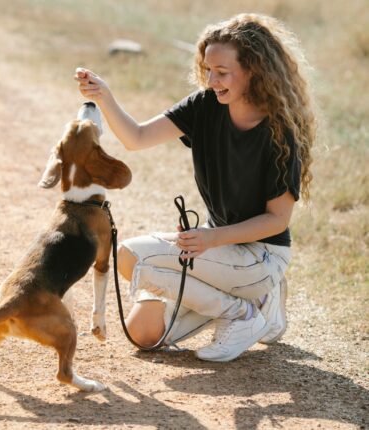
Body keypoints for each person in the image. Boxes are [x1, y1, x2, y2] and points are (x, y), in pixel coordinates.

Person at [74, 13, 316, 362]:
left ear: (253, 70)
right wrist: (105, 96)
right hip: (215, 250)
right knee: (144, 335)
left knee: (128, 255)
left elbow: (277, 220)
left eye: (222, 72)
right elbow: (137, 137)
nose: (211, 80)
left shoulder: (280, 132)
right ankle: (259, 304)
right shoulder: (205, 104)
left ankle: (243, 314)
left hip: (261, 256)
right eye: (207, 69)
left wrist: (208, 240)